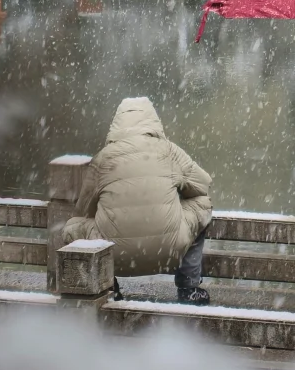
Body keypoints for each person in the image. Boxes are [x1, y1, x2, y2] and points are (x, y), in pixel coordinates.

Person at [61, 97, 214, 304]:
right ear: (153, 121)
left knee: (72, 226)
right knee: (203, 205)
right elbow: (203, 184)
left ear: (116, 125)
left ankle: (108, 286)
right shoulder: (169, 151)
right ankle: (189, 287)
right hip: (168, 252)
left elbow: (84, 209)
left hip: (114, 256)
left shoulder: (103, 159)